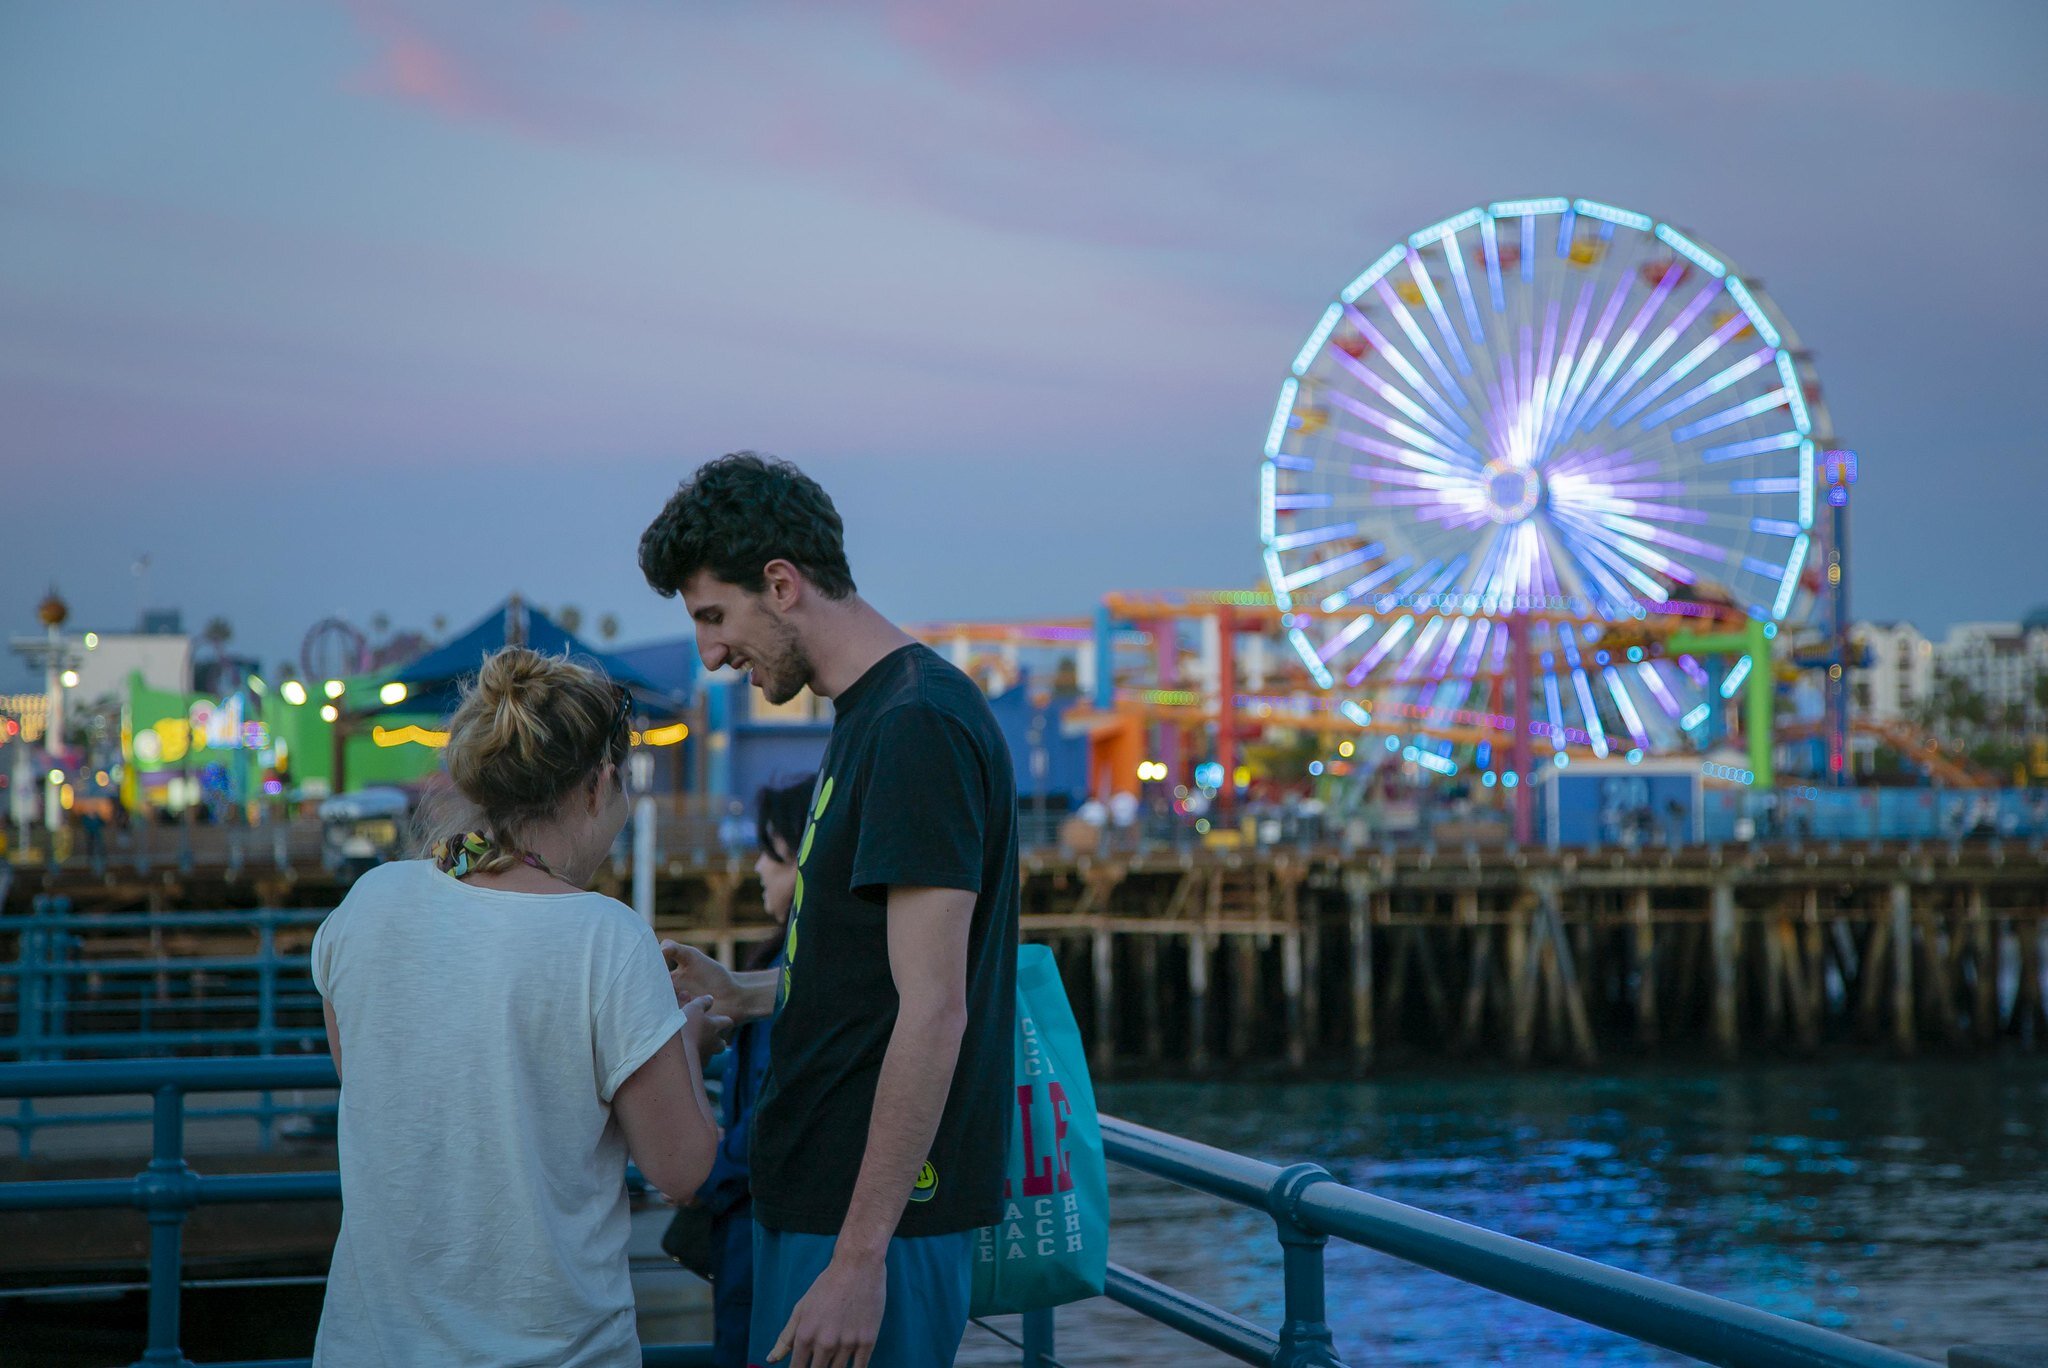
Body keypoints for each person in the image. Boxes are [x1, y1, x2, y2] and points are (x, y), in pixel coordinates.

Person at [640, 452, 1020, 1368]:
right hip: (819, 1199)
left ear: (781, 584)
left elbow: (934, 1009)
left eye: (714, 617)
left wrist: (858, 1260)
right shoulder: (870, 715)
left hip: (868, 1224)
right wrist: (753, 992)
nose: (711, 652)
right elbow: (875, 974)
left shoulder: (915, 725)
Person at [311, 647, 727, 1367]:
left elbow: (380, 1090)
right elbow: (685, 1171)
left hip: (368, 1347)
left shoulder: (367, 906)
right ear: (599, 786)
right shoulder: (606, 937)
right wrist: (684, 1043)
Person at [666, 775, 813, 1368]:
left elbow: (775, 1111)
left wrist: (706, 1174)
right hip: (768, 1227)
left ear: (805, 858)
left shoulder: (793, 970)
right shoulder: (794, 964)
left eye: (770, 851)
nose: (756, 866)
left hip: (762, 1236)